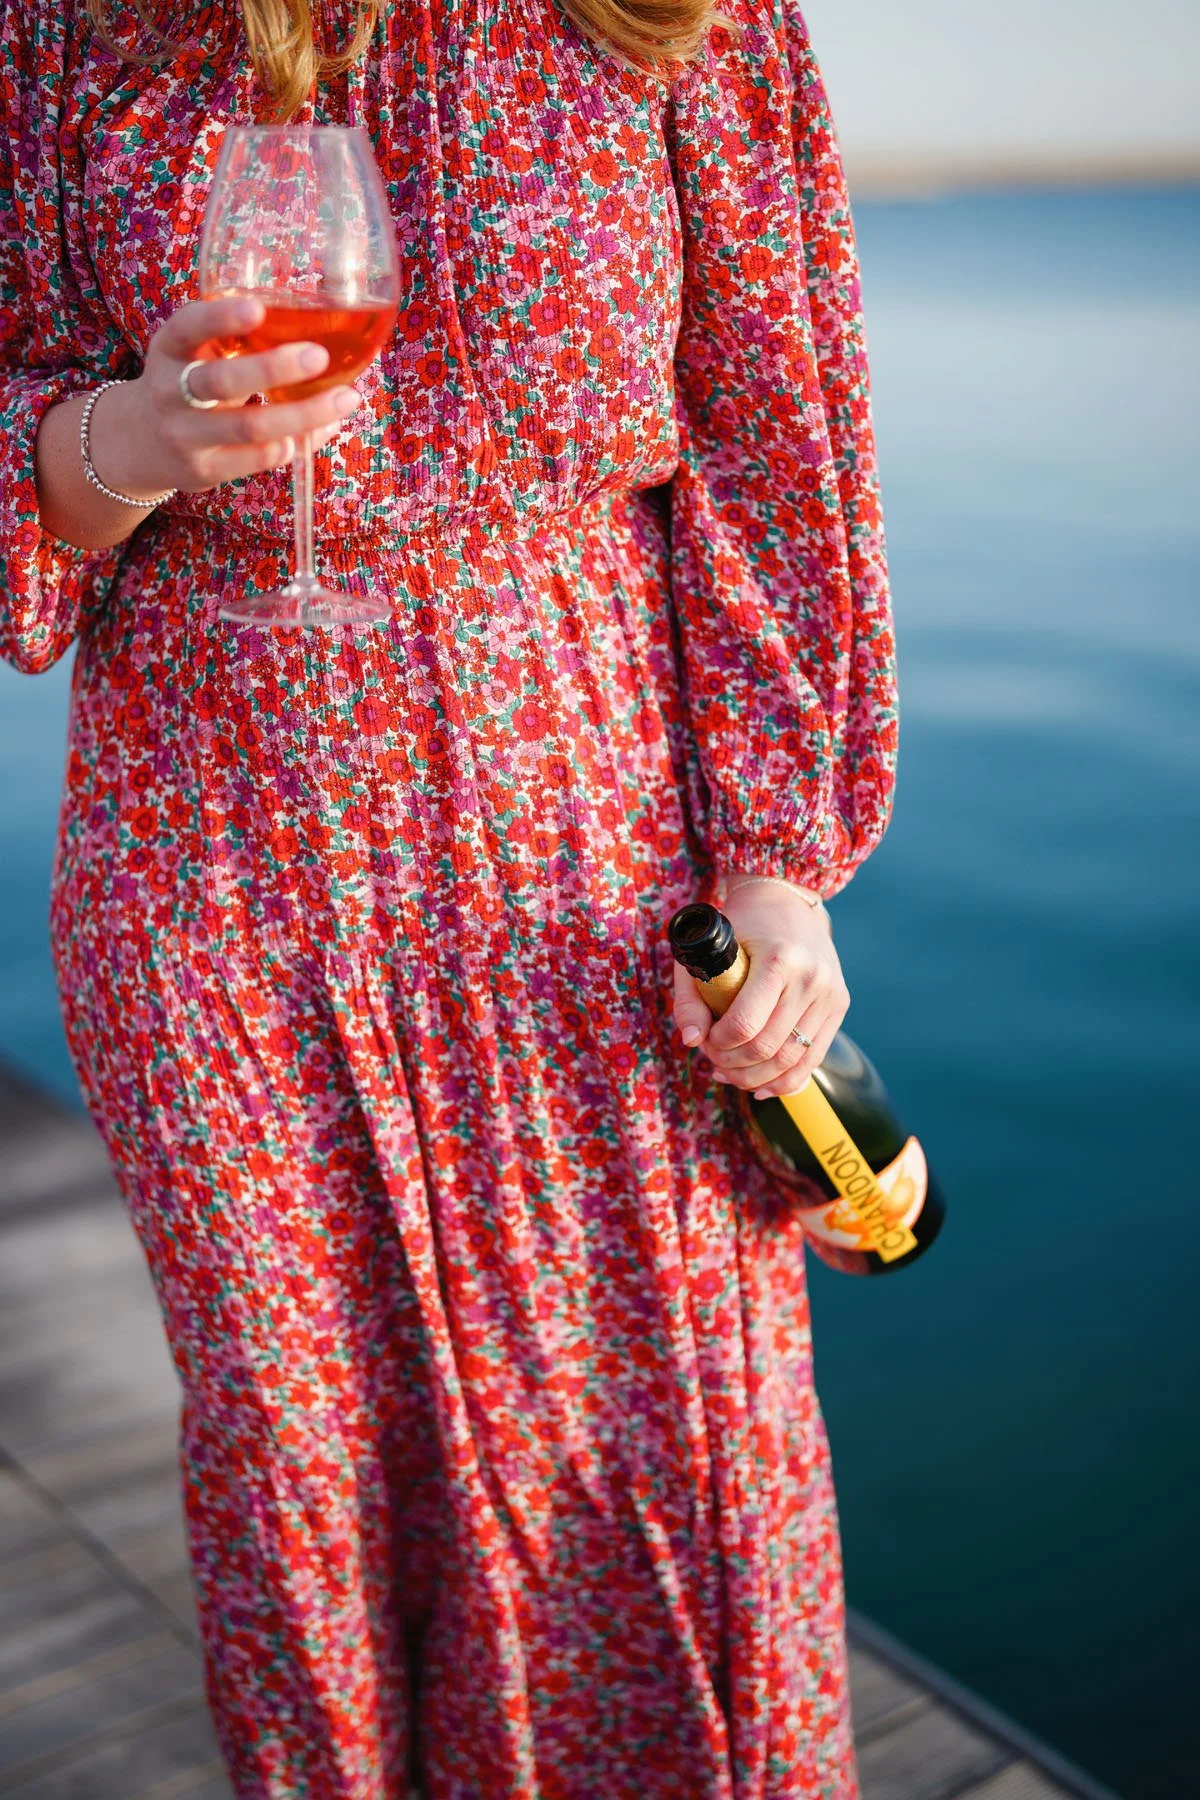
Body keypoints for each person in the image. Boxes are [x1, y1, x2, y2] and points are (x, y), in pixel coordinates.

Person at [0, 0, 898, 1791]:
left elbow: (777, 443)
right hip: (212, 873)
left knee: (657, 1425)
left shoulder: (675, 19)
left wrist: (780, 864)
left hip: (584, 860)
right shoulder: (61, 29)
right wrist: (134, 439)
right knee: (302, 1469)